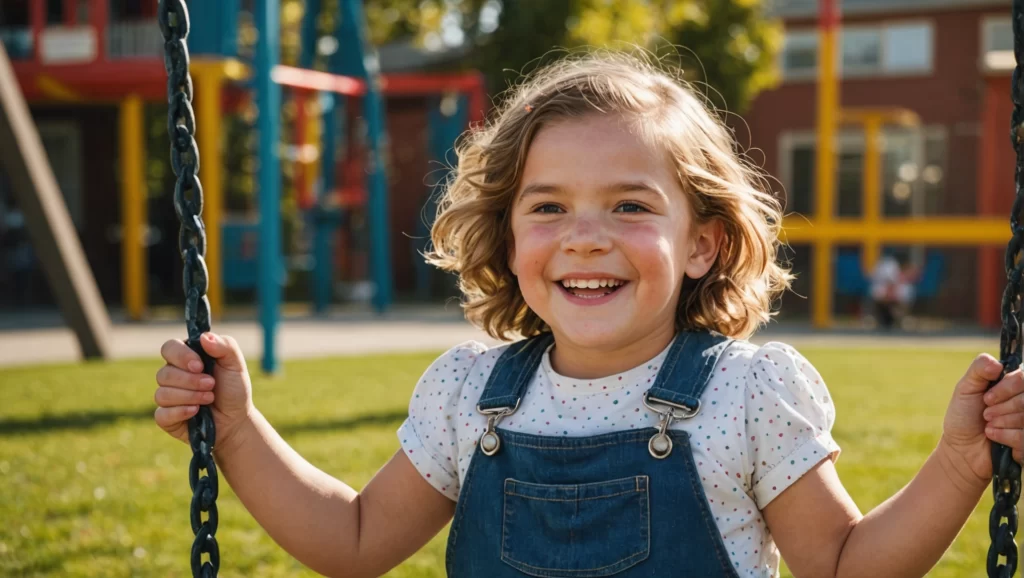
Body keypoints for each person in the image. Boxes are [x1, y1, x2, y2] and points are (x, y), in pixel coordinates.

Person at [153, 52, 1024, 577]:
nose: (584, 239)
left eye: (631, 208)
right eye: (549, 208)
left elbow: (839, 566)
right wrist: (234, 429)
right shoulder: (471, 393)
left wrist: (958, 464)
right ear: (507, 231)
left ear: (704, 245)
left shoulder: (748, 395)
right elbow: (350, 542)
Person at [869, 254, 916, 330]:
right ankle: (880, 320)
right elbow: (881, 287)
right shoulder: (885, 269)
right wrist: (888, 296)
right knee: (878, 294)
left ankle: (899, 321)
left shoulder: (906, 287)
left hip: (896, 303)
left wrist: (894, 296)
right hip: (884, 301)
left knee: (905, 295)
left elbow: (902, 296)